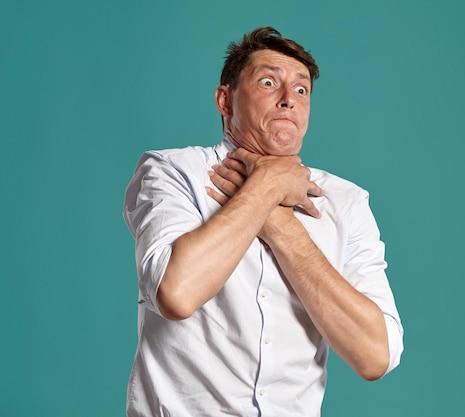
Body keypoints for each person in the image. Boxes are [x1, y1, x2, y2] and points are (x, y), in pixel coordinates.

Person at [123, 26, 403, 417]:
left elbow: (375, 356)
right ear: (225, 100)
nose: (289, 99)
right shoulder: (173, 171)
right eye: (269, 82)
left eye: (302, 90)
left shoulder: (346, 202)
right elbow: (175, 293)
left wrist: (280, 223)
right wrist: (266, 184)